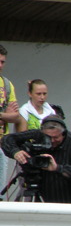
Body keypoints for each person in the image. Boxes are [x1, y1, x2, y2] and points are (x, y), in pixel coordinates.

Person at [0, 44, 27, 193]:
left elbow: (15, 115)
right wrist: (5, 114)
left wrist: (3, 116)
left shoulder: (7, 84)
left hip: (1, 144)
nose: (0, 65)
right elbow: (9, 114)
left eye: (3, 62)